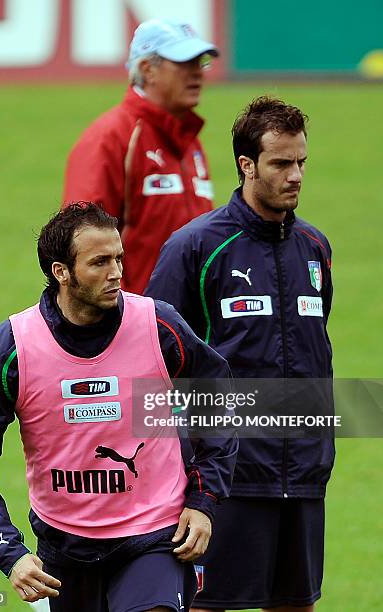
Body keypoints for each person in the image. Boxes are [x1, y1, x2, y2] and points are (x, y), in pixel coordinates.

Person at [0, 203, 238, 611]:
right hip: (64, 548)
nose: (117, 271)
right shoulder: (12, 348)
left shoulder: (159, 326)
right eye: (99, 262)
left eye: (119, 258)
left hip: (154, 536)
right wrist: (8, 553)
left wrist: (203, 500)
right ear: (61, 272)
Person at [146, 97, 335, 611]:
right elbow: (153, 363)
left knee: (296, 603)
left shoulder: (315, 248)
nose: (295, 176)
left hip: (301, 473)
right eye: (280, 163)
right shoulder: (194, 249)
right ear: (247, 165)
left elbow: (318, 352)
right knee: (209, 605)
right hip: (224, 479)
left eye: (301, 162)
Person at [63, 18, 218, 295]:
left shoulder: (190, 142)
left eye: (200, 62)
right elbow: (80, 242)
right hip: (134, 321)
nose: (198, 73)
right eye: (184, 63)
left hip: (191, 325)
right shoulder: (110, 138)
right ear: (147, 69)